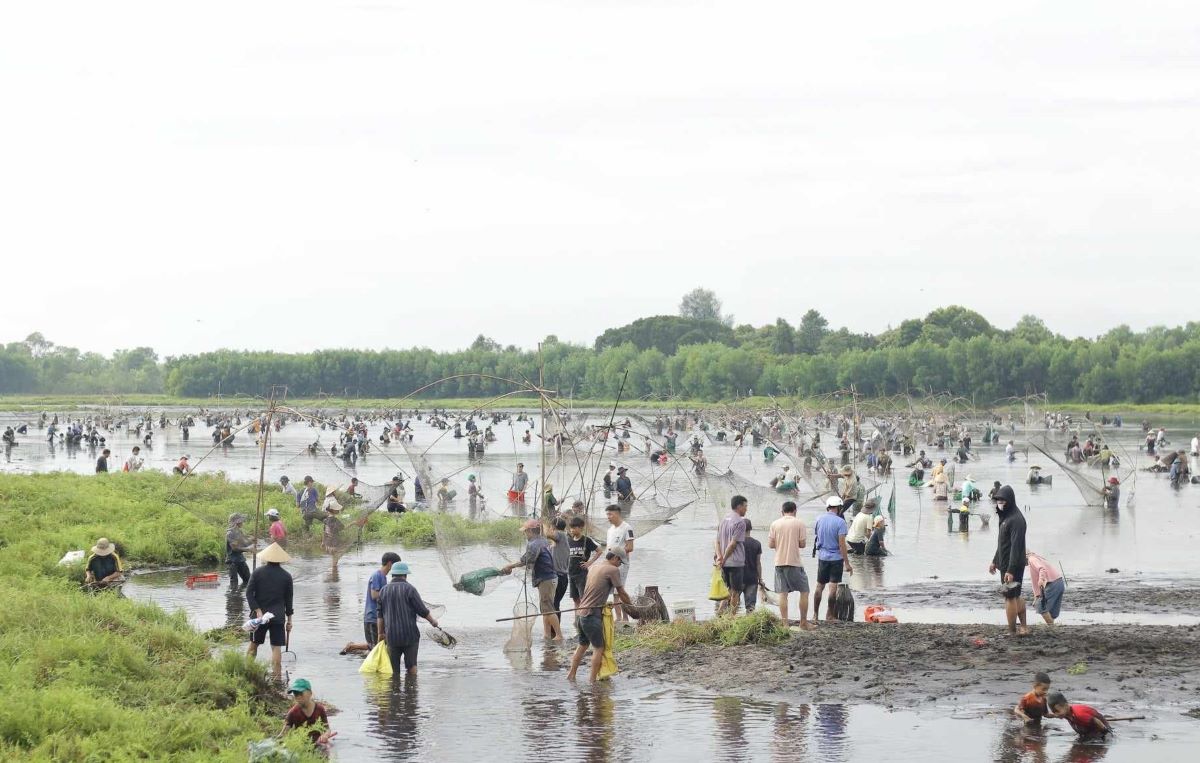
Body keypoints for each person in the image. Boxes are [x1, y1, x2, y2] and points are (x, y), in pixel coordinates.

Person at [565, 548, 635, 683]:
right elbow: (621, 592)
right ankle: (592, 681)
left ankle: (571, 675)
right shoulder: (612, 570)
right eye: (620, 562)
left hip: (580, 614)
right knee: (599, 648)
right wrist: (632, 606)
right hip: (591, 615)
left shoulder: (594, 567)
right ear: (615, 558)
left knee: (582, 645)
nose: (620, 565)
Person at [500, 520, 564, 641]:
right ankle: (546, 634)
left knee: (548, 608)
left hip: (546, 578)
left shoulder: (534, 543)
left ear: (530, 531)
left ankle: (559, 635)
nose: (525, 534)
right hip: (547, 577)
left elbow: (526, 560)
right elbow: (528, 559)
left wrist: (510, 566)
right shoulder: (542, 540)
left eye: (525, 531)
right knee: (545, 608)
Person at [376, 562, 439, 676]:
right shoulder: (410, 589)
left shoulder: (383, 591)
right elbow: (422, 610)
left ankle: (395, 691)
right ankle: (412, 690)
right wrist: (433, 622)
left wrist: (380, 634)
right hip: (410, 636)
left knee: (393, 670)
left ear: (393, 575)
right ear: (405, 575)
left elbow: (380, 616)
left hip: (392, 636)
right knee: (411, 666)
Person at [246, 543, 294, 679]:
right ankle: (277, 678)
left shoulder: (257, 573)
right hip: (278, 617)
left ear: (266, 558)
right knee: (276, 647)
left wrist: (258, 610)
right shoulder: (286, 576)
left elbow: (249, 594)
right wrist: (289, 621)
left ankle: (247, 672)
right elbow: (289, 600)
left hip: (259, 617)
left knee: (254, 643)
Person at [342, 552, 401, 654]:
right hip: (372, 617)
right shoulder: (377, 575)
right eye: (397, 565)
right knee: (376, 648)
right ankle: (352, 646)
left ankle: (353, 647)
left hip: (379, 617)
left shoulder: (383, 577)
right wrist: (391, 595)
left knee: (381, 643)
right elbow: (374, 595)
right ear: (390, 564)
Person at [989, 485, 1029, 636]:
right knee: (1015, 596)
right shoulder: (1005, 518)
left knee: (1010, 598)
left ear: (1010, 501)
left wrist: (1010, 570)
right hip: (1005, 564)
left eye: (1003, 500)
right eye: (998, 500)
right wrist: (995, 561)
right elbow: (1002, 544)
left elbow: (1016, 546)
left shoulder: (1016, 520)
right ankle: (1023, 627)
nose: (1000, 502)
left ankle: (1012, 631)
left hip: (1014, 565)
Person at [767, 501, 812, 629]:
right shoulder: (799, 523)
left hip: (779, 563)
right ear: (795, 511)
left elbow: (770, 545)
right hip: (794, 563)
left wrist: (781, 543)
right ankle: (803, 623)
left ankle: (785, 624)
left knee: (783, 594)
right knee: (804, 591)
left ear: (782, 512)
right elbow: (802, 544)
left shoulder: (775, 524)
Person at [812, 496, 852, 622]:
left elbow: (817, 536)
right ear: (839, 508)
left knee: (819, 586)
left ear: (828, 507)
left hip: (822, 557)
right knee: (832, 587)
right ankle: (829, 615)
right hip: (835, 559)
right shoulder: (841, 522)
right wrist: (847, 563)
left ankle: (815, 615)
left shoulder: (819, 519)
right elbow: (842, 545)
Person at [714, 495, 749, 615]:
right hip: (734, 562)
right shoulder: (740, 522)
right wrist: (724, 558)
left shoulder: (723, 520)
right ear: (739, 506)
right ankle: (732, 617)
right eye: (745, 506)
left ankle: (719, 614)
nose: (746, 509)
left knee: (727, 590)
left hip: (724, 562)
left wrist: (719, 557)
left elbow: (717, 542)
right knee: (736, 591)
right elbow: (733, 544)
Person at [281, 678, 336, 750]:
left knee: (327, 748)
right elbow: (283, 734)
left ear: (310, 693)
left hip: (319, 744)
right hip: (301, 745)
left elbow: (327, 729)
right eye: (295, 694)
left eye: (300, 693)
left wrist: (325, 735)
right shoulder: (293, 713)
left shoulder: (319, 709)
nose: (298, 697)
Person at [604, 504, 635, 621]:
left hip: (621, 563)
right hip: (610, 563)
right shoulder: (610, 530)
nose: (608, 517)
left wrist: (617, 552)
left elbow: (630, 547)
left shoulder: (627, 528)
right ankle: (618, 618)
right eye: (607, 514)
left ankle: (625, 619)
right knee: (613, 593)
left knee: (619, 592)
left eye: (610, 514)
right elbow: (608, 548)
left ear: (617, 514)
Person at [566, 515, 601, 610]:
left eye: (574, 527)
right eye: (571, 528)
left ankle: (584, 618)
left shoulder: (586, 540)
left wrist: (589, 562)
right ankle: (577, 620)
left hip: (581, 573)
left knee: (584, 598)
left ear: (581, 528)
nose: (572, 530)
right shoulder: (569, 540)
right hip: (571, 573)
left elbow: (599, 551)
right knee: (575, 599)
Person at [1048, 692, 1112, 739]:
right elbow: (1055, 714)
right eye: (1054, 712)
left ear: (1066, 705)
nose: (1056, 715)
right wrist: (1050, 715)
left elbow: (1096, 721)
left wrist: (1106, 733)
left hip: (1100, 728)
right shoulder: (1065, 713)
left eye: (1057, 712)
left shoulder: (1079, 714)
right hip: (1088, 731)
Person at [1027, 550, 1065, 625]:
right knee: (1051, 612)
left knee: (1040, 606)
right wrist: (1036, 596)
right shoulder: (1037, 558)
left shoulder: (1032, 559)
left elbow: (1042, 569)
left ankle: (1051, 627)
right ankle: (1052, 627)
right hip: (1059, 582)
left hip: (1053, 584)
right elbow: (1034, 580)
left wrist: (1041, 579)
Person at [225, 513, 255, 589]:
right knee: (234, 584)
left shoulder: (239, 532)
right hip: (232, 561)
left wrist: (252, 541)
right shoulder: (230, 533)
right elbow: (235, 548)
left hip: (240, 560)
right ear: (237, 522)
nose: (242, 522)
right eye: (241, 521)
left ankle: (241, 597)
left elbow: (244, 544)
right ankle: (234, 599)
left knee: (248, 581)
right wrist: (248, 549)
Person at [742, 518, 764, 613]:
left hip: (738, 577)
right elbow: (758, 563)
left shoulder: (737, 543)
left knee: (733, 603)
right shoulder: (757, 543)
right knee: (750, 607)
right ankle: (749, 624)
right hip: (752, 578)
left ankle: (731, 623)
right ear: (750, 529)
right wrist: (760, 579)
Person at [550, 517, 571, 616]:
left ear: (554, 527)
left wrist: (543, 524)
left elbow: (548, 534)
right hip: (561, 577)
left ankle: (555, 631)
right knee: (554, 604)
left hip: (559, 577)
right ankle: (554, 631)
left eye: (551, 527)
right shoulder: (559, 541)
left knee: (554, 604)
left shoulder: (561, 535)